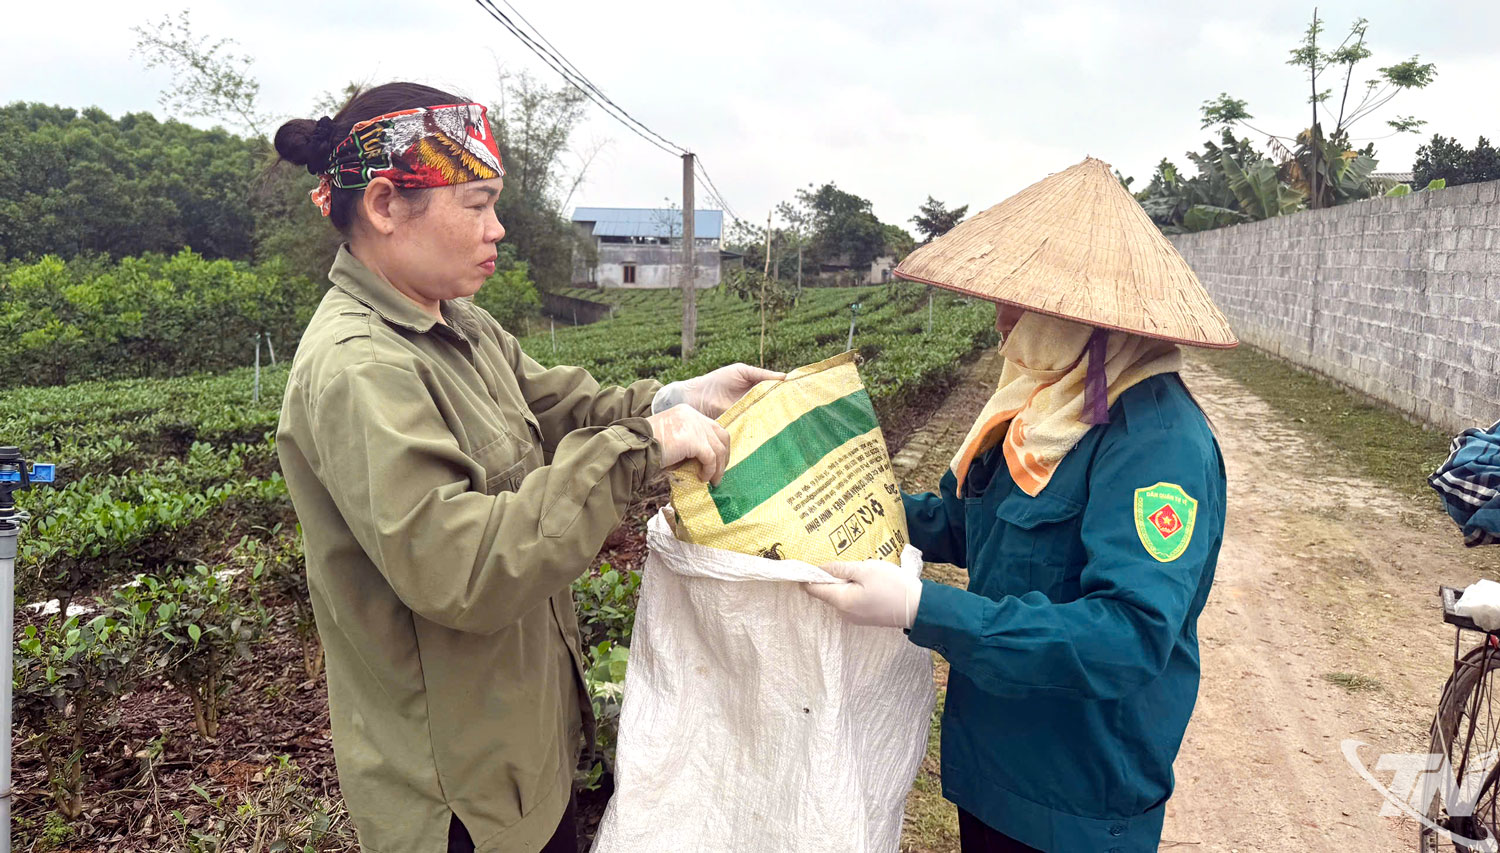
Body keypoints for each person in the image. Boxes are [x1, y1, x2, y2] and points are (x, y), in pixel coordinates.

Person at [272, 82, 780, 853]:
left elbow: (565, 405)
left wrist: (688, 398)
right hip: (459, 802)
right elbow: (464, 563)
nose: (497, 227)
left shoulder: (457, 321)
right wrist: (642, 447)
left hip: (518, 756)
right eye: (475, 203)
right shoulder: (360, 366)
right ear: (383, 204)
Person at [805, 157, 1233, 852]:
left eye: (1021, 303)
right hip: (994, 768)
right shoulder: (1046, 409)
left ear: (1083, 318)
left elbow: (1127, 634)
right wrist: (850, 503)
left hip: (1076, 798)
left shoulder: (1158, 444)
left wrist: (922, 607)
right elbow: (977, 526)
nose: (1001, 322)